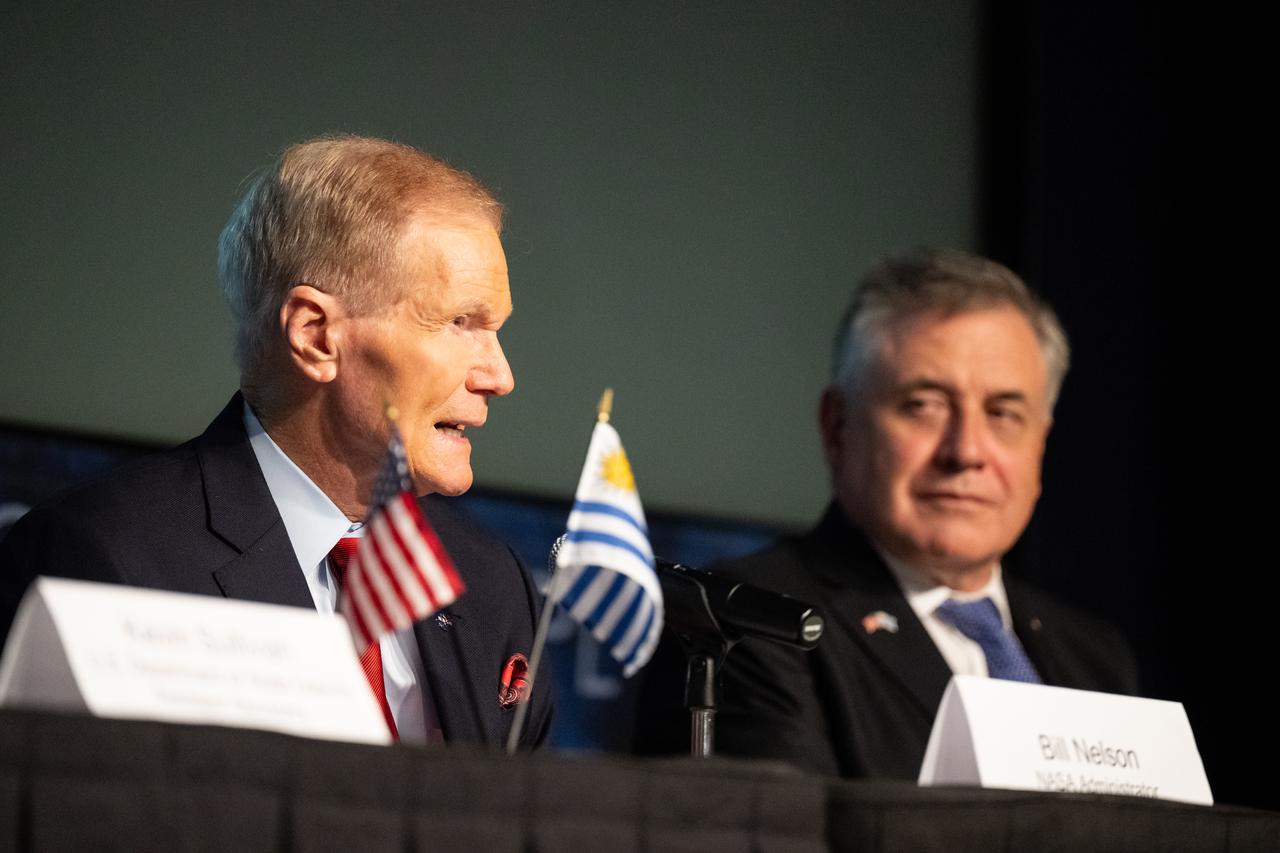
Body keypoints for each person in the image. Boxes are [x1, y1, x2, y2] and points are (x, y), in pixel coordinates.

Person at [0, 135, 551, 749]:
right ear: (316, 335)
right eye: (459, 323)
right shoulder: (101, 565)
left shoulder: (490, 581)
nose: (499, 377)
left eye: (494, 330)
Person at [634, 248, 1137, 777]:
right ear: (837, 427)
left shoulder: (1095, 658)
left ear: (1041, 445)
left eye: (1003, 414)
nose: (966, 452)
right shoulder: (748, 626)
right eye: (923, 406)